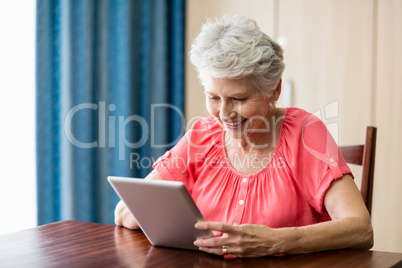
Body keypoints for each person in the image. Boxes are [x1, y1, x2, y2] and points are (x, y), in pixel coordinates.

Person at [114, 15, 373, 257]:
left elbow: (361, 229)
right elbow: (125, 210)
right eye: (214, 97)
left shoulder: (305, 132)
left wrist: (275, 241)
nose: (224, 114)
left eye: (238, 99)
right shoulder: (202, 136)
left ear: (274, 90)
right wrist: (144, 214)